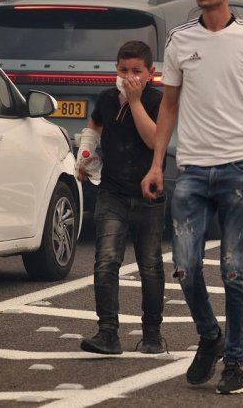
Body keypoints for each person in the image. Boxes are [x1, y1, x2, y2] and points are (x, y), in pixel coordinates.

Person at [141, 0, 243, 395]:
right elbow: (168, 105)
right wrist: (157, 162)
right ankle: (210, 335)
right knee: (184, 266)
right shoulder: (180, 40)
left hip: (240, 167)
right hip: (193, 169)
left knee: (235, 270)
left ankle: (235, 362)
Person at [78, 41, 166, 356]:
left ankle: (152, 334)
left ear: (150, 73)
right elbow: (95, 125)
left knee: (151, 265)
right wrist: (85, 156)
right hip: (112, 191)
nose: (129, 77)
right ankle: (107, 333)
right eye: (123, 70)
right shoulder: (106, 99)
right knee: (105, 261)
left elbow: (155, 139)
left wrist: (135, 101)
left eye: (136, 71)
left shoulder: (158, 100)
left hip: (148, 194)